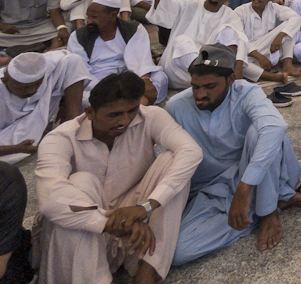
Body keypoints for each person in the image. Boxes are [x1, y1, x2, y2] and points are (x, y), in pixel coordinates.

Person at [34, 71, 203, 284]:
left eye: (131, 111)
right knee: (81, 182)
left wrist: (146, 207)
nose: (124, 120)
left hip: (135, 223)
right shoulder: (59, 138)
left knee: (172, 161)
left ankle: (148, 270)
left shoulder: (149, 116)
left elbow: (192, 152)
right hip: (86, 233)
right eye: (114, 115)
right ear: (89, 113)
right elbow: (50, 200)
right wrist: (112, 223)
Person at [166, 44, 301, 264]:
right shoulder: (176, 107)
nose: (200, 95)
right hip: (210, 191)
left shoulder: (246, 92)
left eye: (209, 86)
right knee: (177, 252)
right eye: (195, 87)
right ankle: (266, 206)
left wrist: (244, 187)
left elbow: (275, 127)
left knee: (261, 132)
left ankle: (268, 212)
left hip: (249, 176)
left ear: (231, 80)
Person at [147, 0, 248, 90]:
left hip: (211, 70)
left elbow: (240, 42)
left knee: (230, 31)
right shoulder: (188, 4)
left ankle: (220, 78)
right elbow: (163, 10)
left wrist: (237, 76)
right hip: (177, 70)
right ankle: (204, 77)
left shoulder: (231, 16)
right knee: (182, 41)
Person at [66, 0, 164, 105]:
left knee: (160, 78)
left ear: (112, 16)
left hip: (129, 76)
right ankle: (136, 105)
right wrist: (111, 88)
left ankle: (133, 105)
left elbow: (140, 61)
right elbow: (81, 71)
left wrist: (144, 81)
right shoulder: (78, 36)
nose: (89, 21)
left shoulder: (133, 29)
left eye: (94, 17)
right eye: (88, 17)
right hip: (97, 81)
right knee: (82, 96)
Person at [234, 0, 301, 83]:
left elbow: (296, 17)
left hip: (270, 51)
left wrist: (280, 35)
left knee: (291, 27)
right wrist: (259, 57)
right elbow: (240, 39)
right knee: (237, 64)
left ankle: (287, 65)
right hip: (250, 54)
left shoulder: (273, 7)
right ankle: (271, 77)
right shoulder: (240, 11)